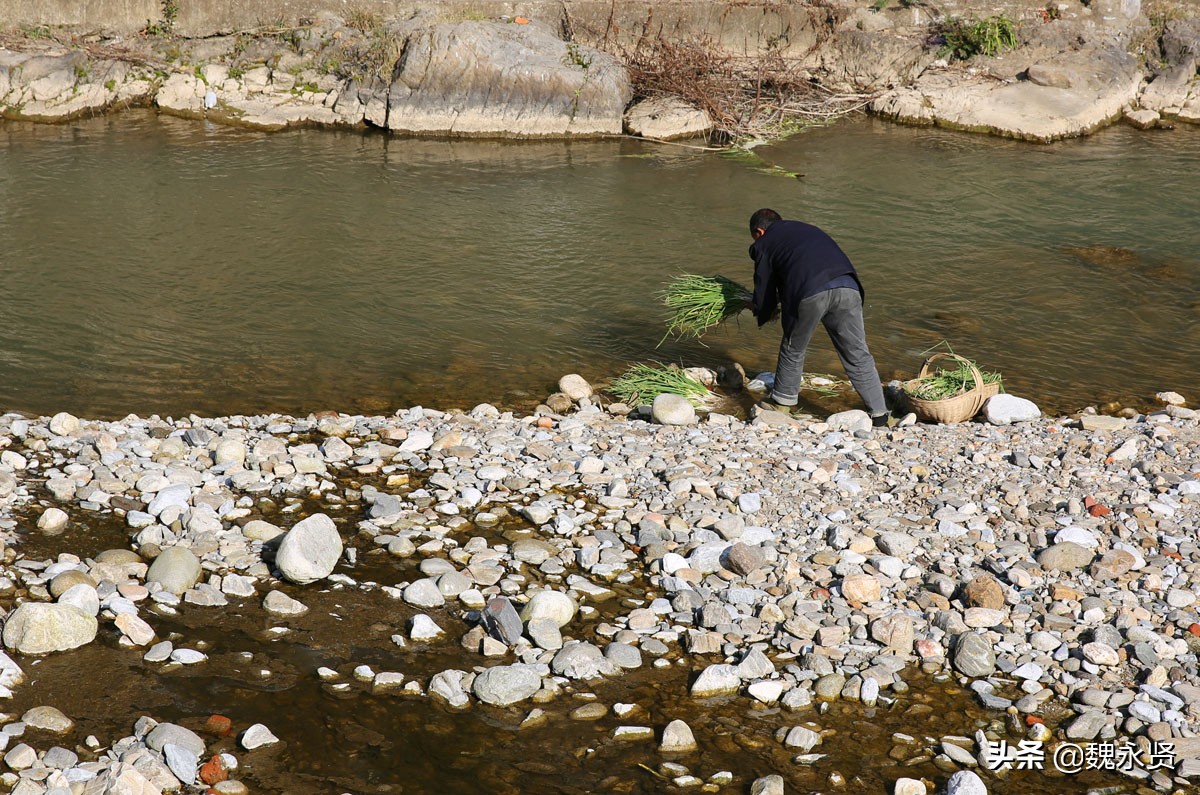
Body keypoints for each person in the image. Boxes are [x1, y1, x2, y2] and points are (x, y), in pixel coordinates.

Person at [748, 208, 889, 426]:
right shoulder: (805, 229)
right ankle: (880, 416)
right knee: (857, 353)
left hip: (811, 291)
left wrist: (760, 309)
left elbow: (764, 287)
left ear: (759, 231)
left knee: (793, 347)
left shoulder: (765, 243)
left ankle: (782, 404)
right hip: (848, 285)